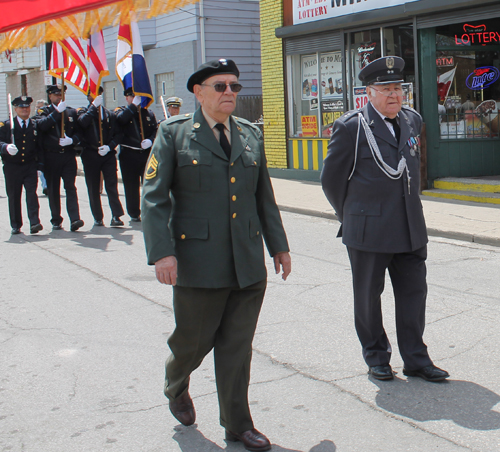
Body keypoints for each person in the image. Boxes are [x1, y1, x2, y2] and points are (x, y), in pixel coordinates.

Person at [141, 59, 291, 451]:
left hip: (246, 262)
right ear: (199, 91)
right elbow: (154, 200)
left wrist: (279, 245)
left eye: (235, 87)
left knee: (236, 348)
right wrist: (162, 254)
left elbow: (264, 198)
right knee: (191, 344)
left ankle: (237, 424)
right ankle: (176, 384)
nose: (230, 93)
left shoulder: (249, 135)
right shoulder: (174, 134)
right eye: (220, 86)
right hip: (197, 263)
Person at [321, 56, 449, 383]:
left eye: (398, 88)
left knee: (413, 295)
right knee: (368, 296)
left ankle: (416, 359)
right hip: (368, 228)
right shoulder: (351, 126)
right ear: (369, 93)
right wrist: (350, 215)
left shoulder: (412, 120)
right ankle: (377, 357)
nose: (394, 95)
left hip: (409, 226)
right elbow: (332, 180)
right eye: (386, 88)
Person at [36, 84, 84, 231]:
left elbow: (80, 132)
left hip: (68, 155)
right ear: (50, 96)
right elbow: (41, 126)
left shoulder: (71, 112)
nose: (59, 97)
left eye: (61, 94)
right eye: (56, 95)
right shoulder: (44, 112)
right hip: (51, 156)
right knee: (53, 189)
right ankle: (56, 219)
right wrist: (57, 112)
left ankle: (75, 219)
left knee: (70, 187)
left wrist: (73, 140)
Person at [77, 87, 125, 227]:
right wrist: (93, 107)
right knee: (93, 187)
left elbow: (118, 134)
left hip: (107, 154)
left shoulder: (109, 114)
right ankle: (98, 217)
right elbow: (82, 123)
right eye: (92, 95)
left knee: (111, 185)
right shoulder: (83, 112)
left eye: (98, 94)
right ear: (88, 97)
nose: (96, 96)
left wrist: (110, 146)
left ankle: (116, 215)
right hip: (90, 153)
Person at [0, 96, 43, 234]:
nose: (25, 110)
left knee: (31, 194)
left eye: (27, 107)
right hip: (12, 166)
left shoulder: (35, 125)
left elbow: (39, 147)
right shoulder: (7, 125)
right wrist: (5, 147)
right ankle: (16, 224)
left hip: (29, 165)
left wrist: (40, 166)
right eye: (21, 107)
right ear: (15, 109)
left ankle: (34, 222)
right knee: (14, 196)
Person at [114, 88, 157, 222]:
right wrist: (133, 106)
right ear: (127, 98)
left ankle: (149, 210)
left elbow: (155, 129)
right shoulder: (121, 111)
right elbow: (120, 120)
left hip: (145, 154)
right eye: (131, 97)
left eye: (137, 96)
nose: (134, 98)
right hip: (129, 154)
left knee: (149, 183)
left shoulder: (148, 113)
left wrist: (150, 140)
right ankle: (134, 213)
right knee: (131, 185)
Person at [34, 99, 49, 195]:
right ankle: (45, 186)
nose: (39, 109)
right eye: (37, 107)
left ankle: (48, 185)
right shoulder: (33, 119)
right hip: (38, 149)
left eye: (41, 107)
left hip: (48, 147)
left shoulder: (49, 120)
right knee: (41, 168)